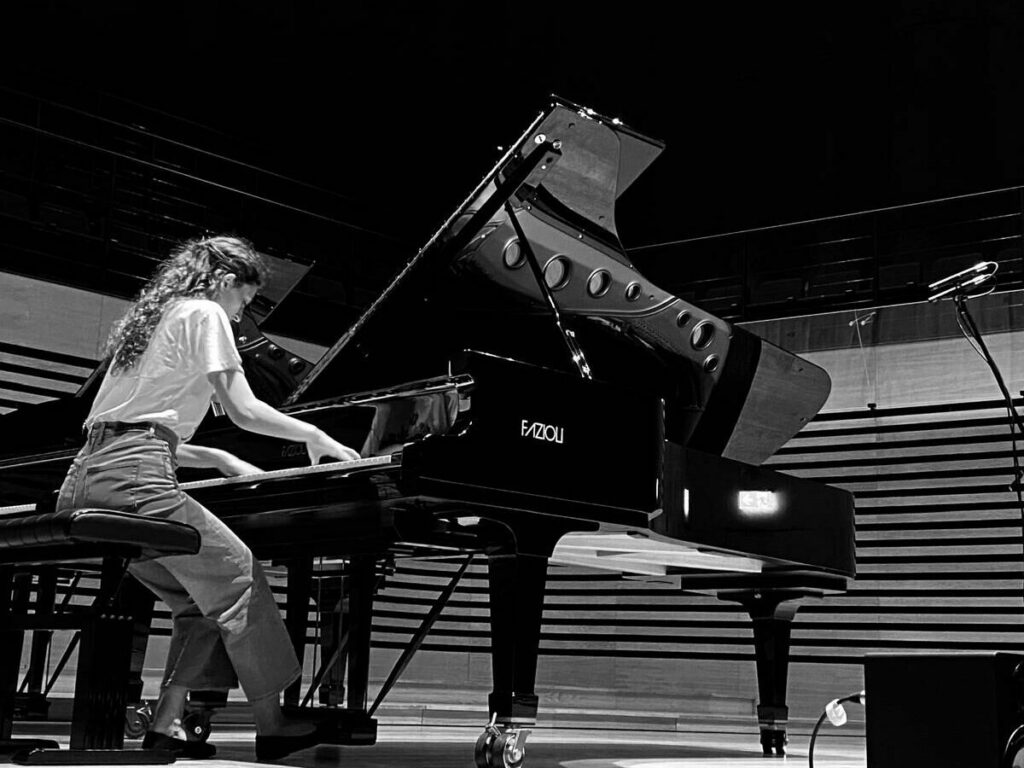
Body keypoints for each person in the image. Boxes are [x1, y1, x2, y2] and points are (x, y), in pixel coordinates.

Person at [55, 235, 361, 761]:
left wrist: (217, 459)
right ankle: (273, 723)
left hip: (84, 478)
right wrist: (315, 435)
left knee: (198, 604)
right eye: (245, 299)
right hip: (137, 479)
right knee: (241, 575)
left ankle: (164, 725)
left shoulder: (150, 321)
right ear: (224, 282)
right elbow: (243, 410)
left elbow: (133, 425)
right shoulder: (205, 312)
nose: (243, 313)